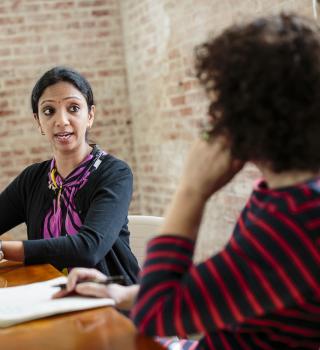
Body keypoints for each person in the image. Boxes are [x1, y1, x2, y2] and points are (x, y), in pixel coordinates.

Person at [55, 14, 320, 349]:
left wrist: (192, 190)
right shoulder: (284, 198)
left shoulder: (296, 221)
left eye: (220, 103)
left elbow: (158, 313)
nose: (212, 117)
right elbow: (216, 293)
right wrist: (117, 292)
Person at [0, 66, 139, 285]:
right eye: (49, 111)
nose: (62, 121)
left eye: (73, 108)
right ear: (38, 121)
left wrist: (3, 249)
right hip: (49, 296)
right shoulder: (33, 179)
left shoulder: (115, 173)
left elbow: (89, 248)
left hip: (112, 301)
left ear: (90, 115)